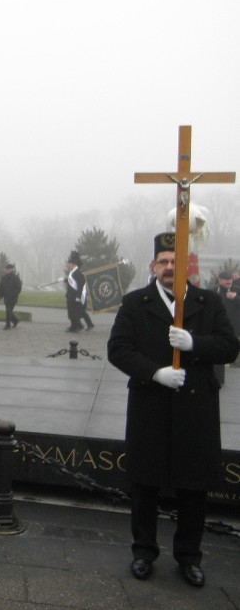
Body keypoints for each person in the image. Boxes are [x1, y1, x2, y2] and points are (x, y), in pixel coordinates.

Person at [107, 232, 239, 588]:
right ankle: (144, 552)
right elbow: (118, 349)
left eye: (175, 261)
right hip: (151, 403)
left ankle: (189, 557)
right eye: (163, 261)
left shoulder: (207, 302)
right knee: (145, 484)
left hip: (195, 408)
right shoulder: (136, 302)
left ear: (186, 266)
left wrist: (195, 343)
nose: (169, 267)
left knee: (193, 487)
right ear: (153, 266)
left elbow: (230, 347)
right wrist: (155, 373)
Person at [216, 270, 240, 371]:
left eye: (230, 279)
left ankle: (234, 363)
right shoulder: (213, 291)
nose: (228, 281)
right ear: (220, 280)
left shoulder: (237, 290)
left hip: (234, 324)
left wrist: (236, 298)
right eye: (226, 279)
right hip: (218, 323)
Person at [64, 251, 90, 332]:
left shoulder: (78, 273)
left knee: (74, 313)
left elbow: (80, 285)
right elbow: (71, 283)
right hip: (70, 295)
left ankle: (75, 327)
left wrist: (78, 297)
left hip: (75, 296)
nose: (67, 265)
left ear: (73, 264)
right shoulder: (72, 272)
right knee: (71, 312)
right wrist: (65, 280)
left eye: (68, 264)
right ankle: (74, 325)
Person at [0, 263, 22, 330]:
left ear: (11, 269)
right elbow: (1, 287)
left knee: (8, 311)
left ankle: (7, 325)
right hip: (6, 298)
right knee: (9, 311)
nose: (7, 270)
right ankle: (15, 321)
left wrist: (13, 295)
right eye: (6, 269)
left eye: (8, 269)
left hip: (12, 298)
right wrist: (0, 294)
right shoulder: (4, 277)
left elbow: (18, 288)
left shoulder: (15, 278)